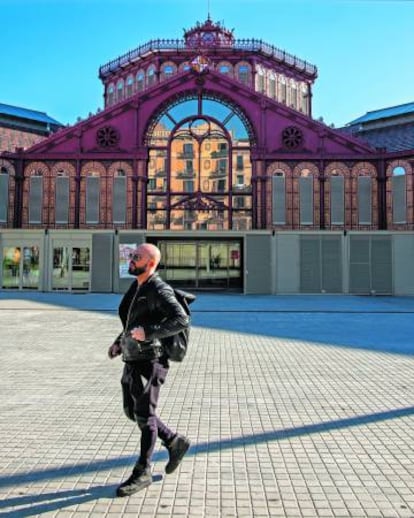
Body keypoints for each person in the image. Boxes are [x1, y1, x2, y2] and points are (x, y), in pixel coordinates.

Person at [108, 243, 191, 497]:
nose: (132, 259)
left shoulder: (159, 289)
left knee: (145, 415)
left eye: (137, 257)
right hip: (133, 357)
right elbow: (133, 320)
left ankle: (142, 471)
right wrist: (119, 342)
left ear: (151, 263)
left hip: (151, 360)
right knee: (132, 411)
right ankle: (174, 441)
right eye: (132, 256)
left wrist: (150, 334)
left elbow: (181, 319)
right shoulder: (138, 286)